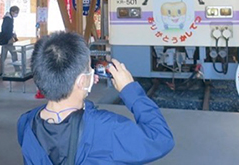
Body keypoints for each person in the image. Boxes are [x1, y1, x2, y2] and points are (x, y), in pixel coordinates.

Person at [17, 32, 175, 165]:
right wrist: (130, 90)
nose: (92, 71)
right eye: (89, 68)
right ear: (81, 81)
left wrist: (83, 91)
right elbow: (161, 138)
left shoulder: (25, 123)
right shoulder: (107, 128)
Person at [0, 5, 20, 77]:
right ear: (12, 12)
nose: (16, 14)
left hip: (5, 40)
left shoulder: (8, 18)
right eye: (16, 12)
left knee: (3, 57)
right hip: (8, 40)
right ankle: (18, 70)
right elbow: (5, 30)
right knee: (14, 54)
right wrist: (11, 36)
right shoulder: (8, 19)